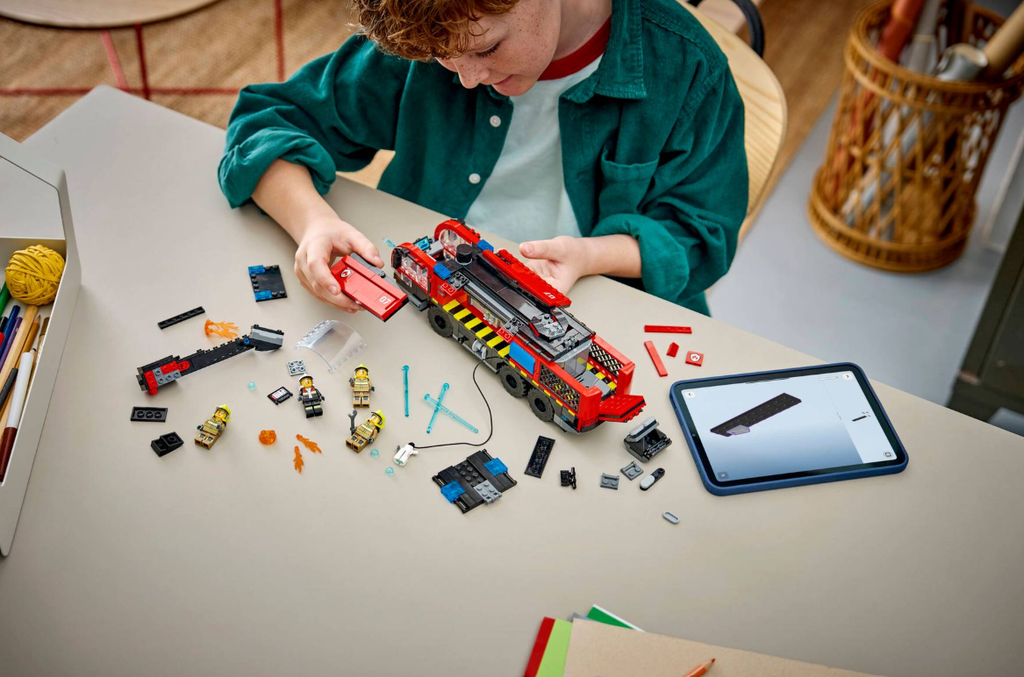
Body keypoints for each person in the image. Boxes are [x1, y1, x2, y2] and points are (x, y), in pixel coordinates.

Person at [219, 0, 747, 315]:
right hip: (430, 291)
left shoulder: (687, 67)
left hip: (598, 310)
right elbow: (269, 121)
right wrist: (312, 222)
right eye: (441, 59)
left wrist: (590, 257)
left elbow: (702, 236)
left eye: (488, 49)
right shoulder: (434, 23)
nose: (468, 78)